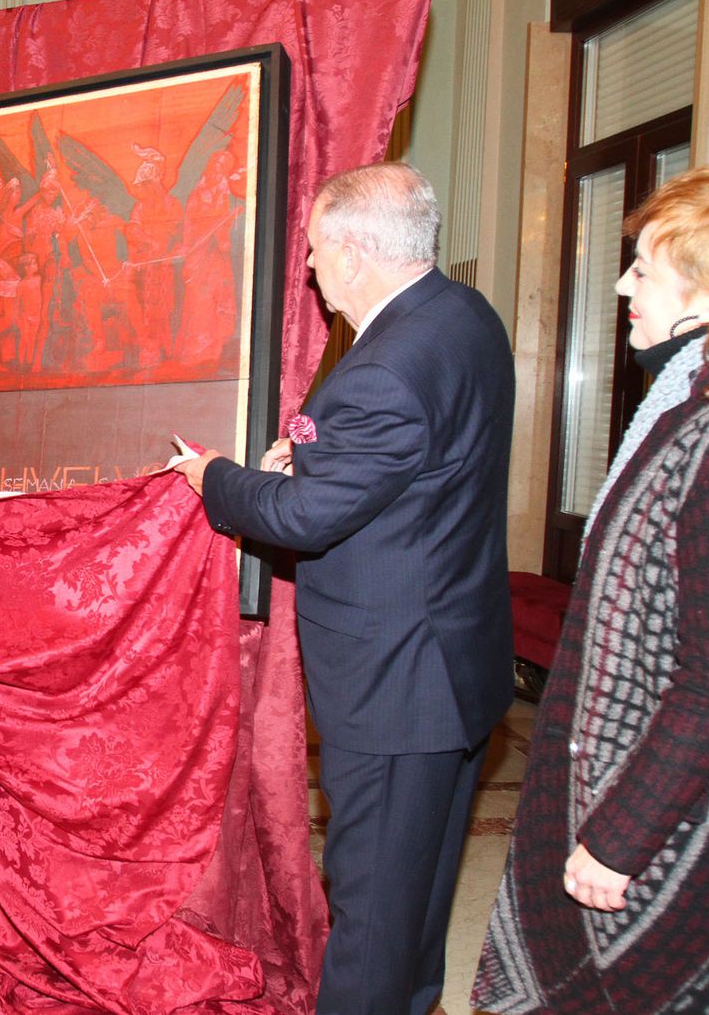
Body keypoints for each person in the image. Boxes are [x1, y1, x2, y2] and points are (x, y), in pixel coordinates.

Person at [174, 162, 515, 1014]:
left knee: (369, 905)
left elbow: (303, 521)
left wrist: (214, 476)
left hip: (398, 683)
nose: (311, 268)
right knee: (422, 886)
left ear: (358, 255)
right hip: (457, 655)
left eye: (319, 250)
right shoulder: (464, 315)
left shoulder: (381, 370)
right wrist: (321, 459)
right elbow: (417, 465)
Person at [472, 163, 709, 1012]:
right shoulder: (703, 407)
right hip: (635, 783)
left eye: (644, 267)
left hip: (700, 823)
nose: (620, 284)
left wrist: (620, 834)